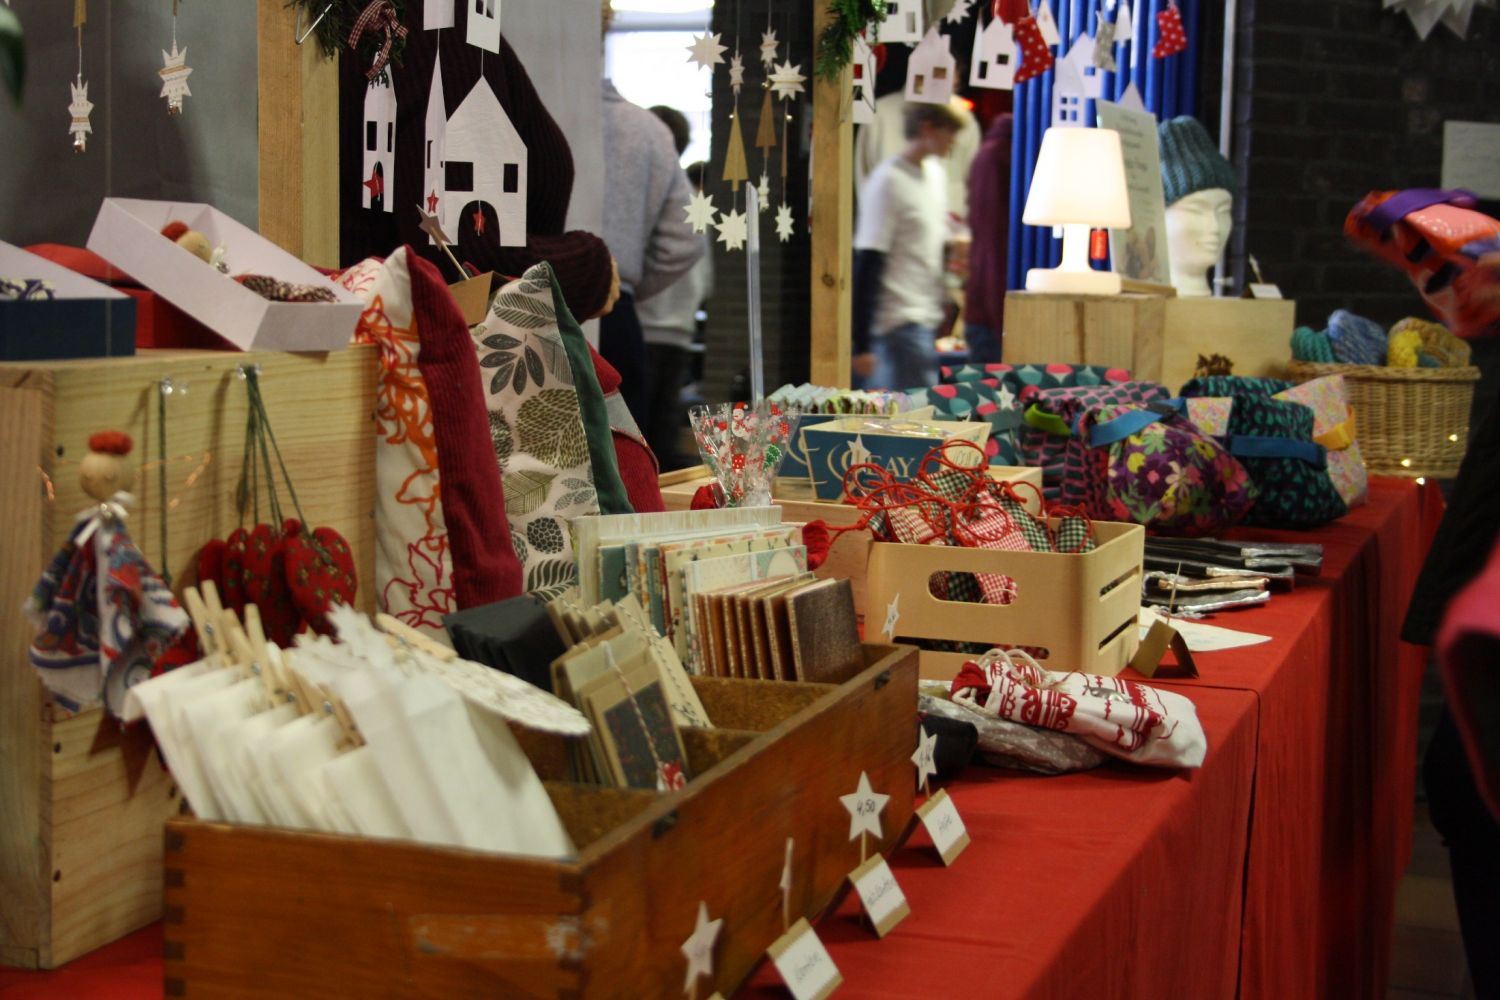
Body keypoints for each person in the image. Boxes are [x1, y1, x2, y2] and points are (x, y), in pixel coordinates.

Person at [599, 75, 703, 426]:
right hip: (620, 312)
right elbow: (685, 239)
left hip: (526, 300)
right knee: (629, 445)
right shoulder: (648, 131)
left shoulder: (539, 108)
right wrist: (627, 285)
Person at [852, 101, 964, 390]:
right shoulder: (888, 181)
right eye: (949, 132)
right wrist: (861, 342)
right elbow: (869, 261)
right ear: (927, 128)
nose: (953, 141)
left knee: (916, 407)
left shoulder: (935, 175)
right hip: (897, 322)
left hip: (924, 316)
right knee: (912, 408)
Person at [635, 130, 713, 471]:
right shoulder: (694, 207)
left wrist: (640, 291)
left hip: (647, 319)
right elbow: (704, 271)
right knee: (663, 417)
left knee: (639, 420)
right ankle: (658, 483)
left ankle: (643, 484)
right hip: (679, 322)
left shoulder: (658, 196)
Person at [963, 113, 1013, 364]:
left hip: (988, 313)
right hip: (992, 317)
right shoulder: (998, 157)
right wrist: (1001, 323)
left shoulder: (992, 155)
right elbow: (993, 245)